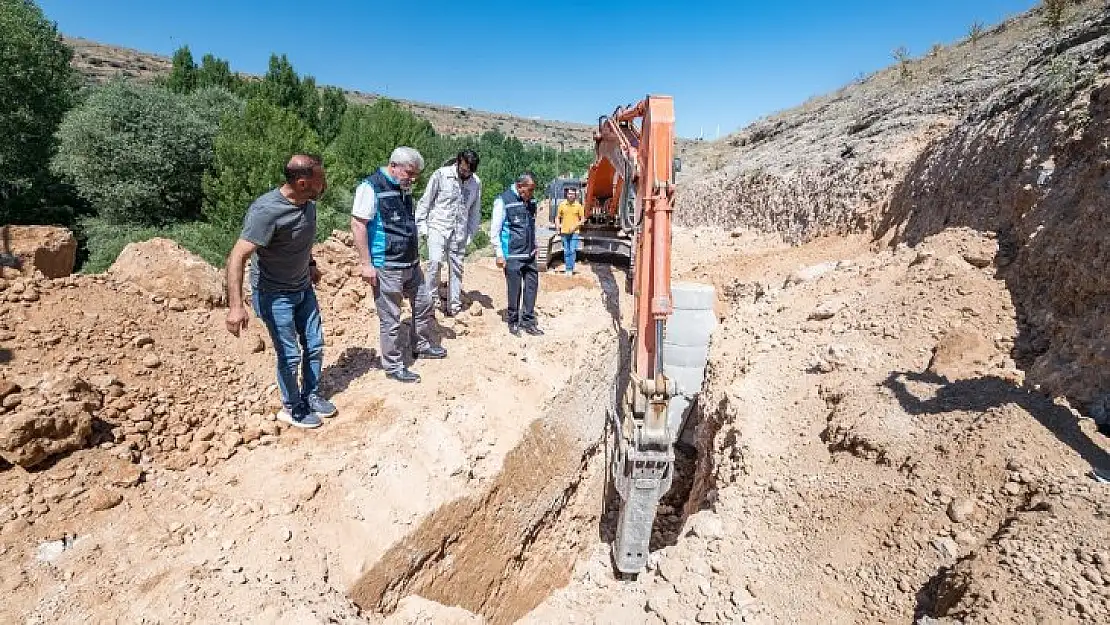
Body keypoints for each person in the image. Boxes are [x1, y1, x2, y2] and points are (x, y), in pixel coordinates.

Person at [225, 154, 334, 429]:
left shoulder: (308, 204)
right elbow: (237, 256)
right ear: (301, 182)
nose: (325, 185)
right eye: (320, 181)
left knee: (315, 344)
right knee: (290, 355)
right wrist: (236, 306)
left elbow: (302, 237)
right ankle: (292, 407)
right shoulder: (266, 211)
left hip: (302, 287)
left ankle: (310, 395)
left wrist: (310, 264)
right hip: (275, 294)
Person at [350, 146, 446, 384]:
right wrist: (366, 264)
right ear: (393, 166)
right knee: (391, 318)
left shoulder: (403, 188)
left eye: (415, 175)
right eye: (409, 173)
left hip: (410, 263)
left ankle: (421, 345)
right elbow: (358, 225)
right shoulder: (370, 187)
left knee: (424, 303)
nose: (413, 179)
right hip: (387, 264)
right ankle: (393, 366)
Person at [416, 149, 482, 316]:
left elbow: (475, 210)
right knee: (434, 263)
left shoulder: (476, 183)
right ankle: (432, 303)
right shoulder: (441, 175)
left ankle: (454, 306)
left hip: (459, 231)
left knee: (457, 269)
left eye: (470, 171)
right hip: (438, 226)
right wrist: (422, 225)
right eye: (464, 169)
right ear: (459, 162)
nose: (466, 173)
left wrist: (471, 234)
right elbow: (426, 199)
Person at [490, 172, 543, 337]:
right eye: (530, 190)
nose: (531, 194)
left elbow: (531, 225)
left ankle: (528, 321)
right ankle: (513, 322)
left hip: (530, 254)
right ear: (520, 187)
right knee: (514, 290)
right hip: (512, 255)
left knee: (531, 288)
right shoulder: (503, 201)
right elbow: (495, 230)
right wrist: (499, 253)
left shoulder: (531, 201)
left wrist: (535, 244)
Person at [555, 186, 585, 276]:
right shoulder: (562, 205)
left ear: (575, 195)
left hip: (574, 232)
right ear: (566, 194)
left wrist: (575, 226)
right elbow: (557, 217)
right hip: (564, 231)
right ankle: (567, 268)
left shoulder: (578, 206)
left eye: (572, 193)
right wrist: (557, 227)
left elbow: (583, 219)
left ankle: (570, 269)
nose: (571, 195)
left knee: (572, 250)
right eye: (569, 193)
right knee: (566, 251)